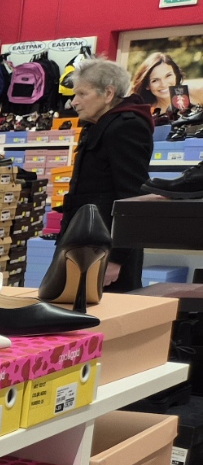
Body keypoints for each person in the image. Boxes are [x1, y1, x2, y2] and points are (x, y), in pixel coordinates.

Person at [60, 58, 154, 293]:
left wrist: (117, 258)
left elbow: (134, 197)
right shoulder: (98, 125)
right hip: (83, 243)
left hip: (106, 252)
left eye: (82, 93)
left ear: (108, 93)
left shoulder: (126, 127)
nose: (74, 102)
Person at [131, 51, 183, 116]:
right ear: (147, 85)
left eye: (168, 76)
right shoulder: (145, 114)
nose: (163, 84)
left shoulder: (192, 96)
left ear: (176, 75)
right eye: (155, 80)